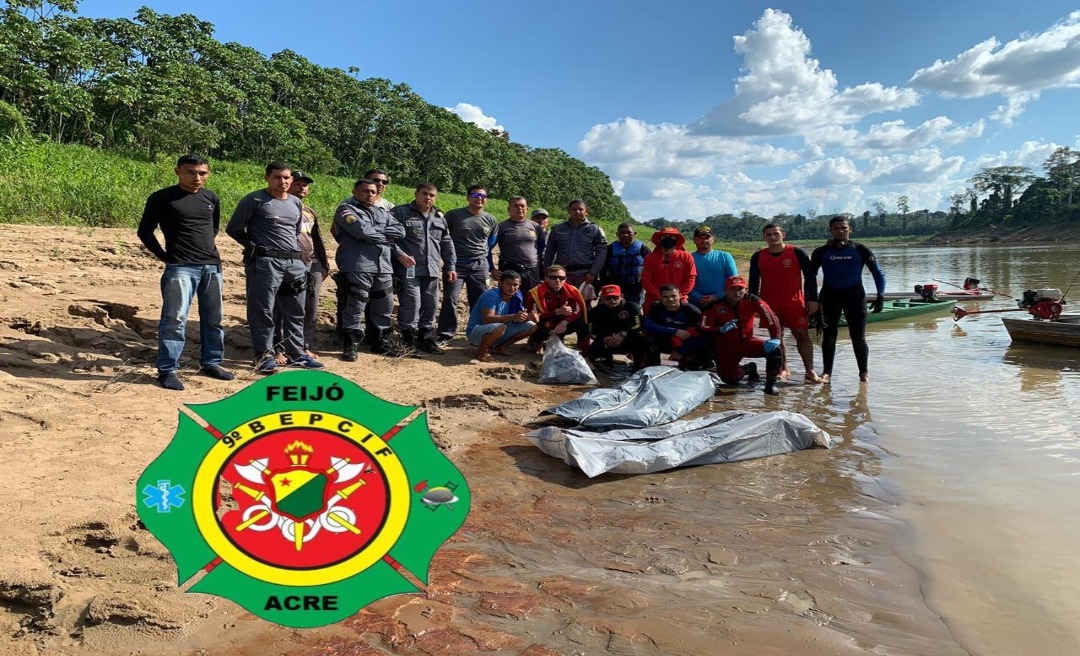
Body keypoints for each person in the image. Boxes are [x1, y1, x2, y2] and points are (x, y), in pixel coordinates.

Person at [137, 154, 233, 390]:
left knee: (214, 318)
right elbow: (145, 231)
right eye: (191, 172)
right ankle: (168, 370)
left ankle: (211, 362)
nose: (197, 177)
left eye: (203, 173)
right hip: (180, 267)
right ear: (178, 171)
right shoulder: (162, 198)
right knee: (175, 319)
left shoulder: (211, 198)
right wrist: (164, 256)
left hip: (211, 265)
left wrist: (207, 253)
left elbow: (213, 228)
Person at [226, 162, 323, 373]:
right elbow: (233, 228)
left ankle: (297, 354)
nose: (283, 182)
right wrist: (254, 247)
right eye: (278, 177)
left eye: (287, 178)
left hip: (294, 264)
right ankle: (264, 356)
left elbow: (295, 232)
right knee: (263, 310)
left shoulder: (296, 203)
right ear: (267, 178)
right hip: (265, 264)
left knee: (296, 310)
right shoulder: (255, 200)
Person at [333, 178, 406, 361]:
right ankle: (351, 343)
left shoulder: (383, 212)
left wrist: (374, 233)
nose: (370, 194)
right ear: (355, 192)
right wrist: (383, 235)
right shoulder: (346, 210)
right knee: (356, 304)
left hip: (383, 266)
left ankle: (380, 340)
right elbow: (362, 232)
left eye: (373, 191)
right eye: (365, 191)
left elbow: (401, 231)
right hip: (358, 264)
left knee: (385, 304)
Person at [809, 216, 886, 384]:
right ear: (830, 230)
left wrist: (880, 295)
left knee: (858, 337)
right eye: (836, 228)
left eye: (844, 228)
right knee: (829, 336)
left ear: (850, 229)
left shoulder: (860, 249)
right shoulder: (821, 252)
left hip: (855, 297)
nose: (840, 231)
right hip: (829, 297)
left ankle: (863, 374)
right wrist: (812, 299)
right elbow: (810, 277)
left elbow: (877, 272)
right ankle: (827, 373)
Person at [748, 223, 821, 383]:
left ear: (783, 234)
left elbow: (810, 278)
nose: (773, 237)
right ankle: (784, 369)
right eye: (769, 235)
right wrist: (753, 305)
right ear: (764, 237)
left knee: (802, 335)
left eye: (776, 234)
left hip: (794, 303)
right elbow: (753, 283)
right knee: (777, 337)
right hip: (770, 305)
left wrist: (813, 300)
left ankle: (810, 370)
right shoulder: (758, 256)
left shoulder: (797, 252)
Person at [390, 183, 456, 354]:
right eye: (424, 194)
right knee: (411, 304)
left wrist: (450, 265)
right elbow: (388, 238)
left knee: (431, 304)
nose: (428, 198)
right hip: (408, 270)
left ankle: (425, 339)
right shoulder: (400, 212)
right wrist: (399, 255)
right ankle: (408, 340)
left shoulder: (439, 216)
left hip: (432, 269)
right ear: (416, 193)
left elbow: (447, 243)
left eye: (432, 195)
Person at [272, 170, 329, 363]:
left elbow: (316, 239)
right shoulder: (277, 206)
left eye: (305, 184)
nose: (302, 187)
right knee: (279, 307)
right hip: (286, 264)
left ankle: (303, 346)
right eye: (297, 183)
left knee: (309, 307)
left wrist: (323, 264)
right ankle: (277, 348)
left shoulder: (309, 211)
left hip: (311, 264)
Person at [436, 184, 498, 344]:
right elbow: (442, 236)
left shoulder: (491, 220)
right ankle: (445, 334)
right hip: (456, 265)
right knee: (450, 299)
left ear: (486, 200)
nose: (479, 199)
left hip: (479, 266)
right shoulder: (454, 215)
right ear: (468, 197)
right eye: (475, 195)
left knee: (480, 300)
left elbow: (490, 243)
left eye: (483, 196)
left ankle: (477, 333)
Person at [700, 275, 783, 396]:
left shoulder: (753, 300)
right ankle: (748, 368)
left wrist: (776, 337)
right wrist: (719, 330)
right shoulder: (713, 306)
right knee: (730, 381)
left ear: (746, 289)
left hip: (747, 342)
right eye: (733, 289)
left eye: (740, 289)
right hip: (725, 347)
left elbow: (770, 316)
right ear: (725, 290)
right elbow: (703, 327)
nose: (737, 292)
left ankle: (771, 385)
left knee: (775, 349)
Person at [465, 270, 537, 362]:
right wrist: (513, 317)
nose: (512, 288)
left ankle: (500, 347)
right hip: (476, 332)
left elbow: (516, 318)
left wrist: (528, 317)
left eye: (515, 285)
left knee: (532, 325)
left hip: (497, 329)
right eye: (508, 284)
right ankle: (481, 352)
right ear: (500, 283)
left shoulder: (516, 297)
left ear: (519, 285)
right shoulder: (491, 296)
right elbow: (487, 319)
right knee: (500, 327)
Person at [543, 199, 606, 289]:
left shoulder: (595, 229)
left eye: (580, 209)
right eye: (574, 209)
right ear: (569, 211)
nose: (577, 211)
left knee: (583, 302)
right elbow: (550, 252)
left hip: (585, 275)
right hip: (562, 275)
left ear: (586, 211)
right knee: (562, 302)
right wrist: (547, 273)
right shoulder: (558, 229)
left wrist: (593, 273)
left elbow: (602, 253)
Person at [525, 264, 590, 352]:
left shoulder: (572, 291)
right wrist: (557, 312)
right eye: (553, 277)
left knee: (582, 324)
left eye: (561, 278)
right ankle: (537, 342)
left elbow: (577, 311)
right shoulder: (535, 293)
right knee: (534, 327)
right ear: (546, 279)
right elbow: (534, 317)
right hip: (544, 325)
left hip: (562, 324)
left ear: (565, 279)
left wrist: (565, 321)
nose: (558, 280)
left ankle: (585, 351)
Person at [642, 283, 706, 368]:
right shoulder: (656, 307)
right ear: (660, 297)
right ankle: (652, 365)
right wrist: (675, 331)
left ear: (680, 295)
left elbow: (703, 336)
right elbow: (648, 325)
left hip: (685, 343)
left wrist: (681, 351)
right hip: (665, 340)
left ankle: (697, 362)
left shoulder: (692, 311)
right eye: (666, 297)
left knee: (699, 350)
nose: (670, 299)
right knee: (650, 337)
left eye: (673, 296)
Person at [491, 196, 545, 293]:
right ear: (509, 209)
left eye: (522, 206)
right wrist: (492, 268)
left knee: (531, 300)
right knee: (508, 300)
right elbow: (488, 248)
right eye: (516, 206)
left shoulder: (536, 227)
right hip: (510, 270)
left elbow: (541, 249)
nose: (519, 208)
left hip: (531, 271)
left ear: (527, 209)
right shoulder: (501, 227)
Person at [587, 284, 645, 371]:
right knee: (593, 355)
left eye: (615, 298)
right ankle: (606, 364)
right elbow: (591, 330)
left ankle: (637, 366)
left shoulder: (631, 307)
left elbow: (639, 325)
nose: (612, 301)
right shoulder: (596, 311)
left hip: (628, 338)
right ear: (602, 298)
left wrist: (623, 333)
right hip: (607, 340)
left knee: (640, 341)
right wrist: (604, 338)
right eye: (608, 298)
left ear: (621, 296)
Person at [641, 226, 696, 311]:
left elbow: (690, 279)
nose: (668, 238)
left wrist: (676, 296)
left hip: (679, 301)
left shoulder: (686, 256)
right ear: (659, 240)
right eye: (664, 236)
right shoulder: (650, 258)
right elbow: (646, 280)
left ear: (677, 240)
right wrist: (661, 296)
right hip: (654, 301)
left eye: (671, 236)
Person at [599, 223, 650, 309]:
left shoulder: (643, 248)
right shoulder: (610, 249)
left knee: (633, 309)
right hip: (615, 286)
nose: (625, 235)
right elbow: (603, 268)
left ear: (634, 233)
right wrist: (603, 284)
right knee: (610, 309)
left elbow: (651, 267)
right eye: (622, 233)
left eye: (628, 232)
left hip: (635, 287)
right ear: (617, 234)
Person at [688, 226, 737, 308]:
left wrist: (717, 296)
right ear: (694, 240)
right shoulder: (689, 258)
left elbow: (734, 280)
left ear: (713, 239)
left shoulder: (724, 256)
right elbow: (686, 282)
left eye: (707, 237)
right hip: (696, 302)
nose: (704, 240)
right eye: (700, 238)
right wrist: (699, 297)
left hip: (722, 301)